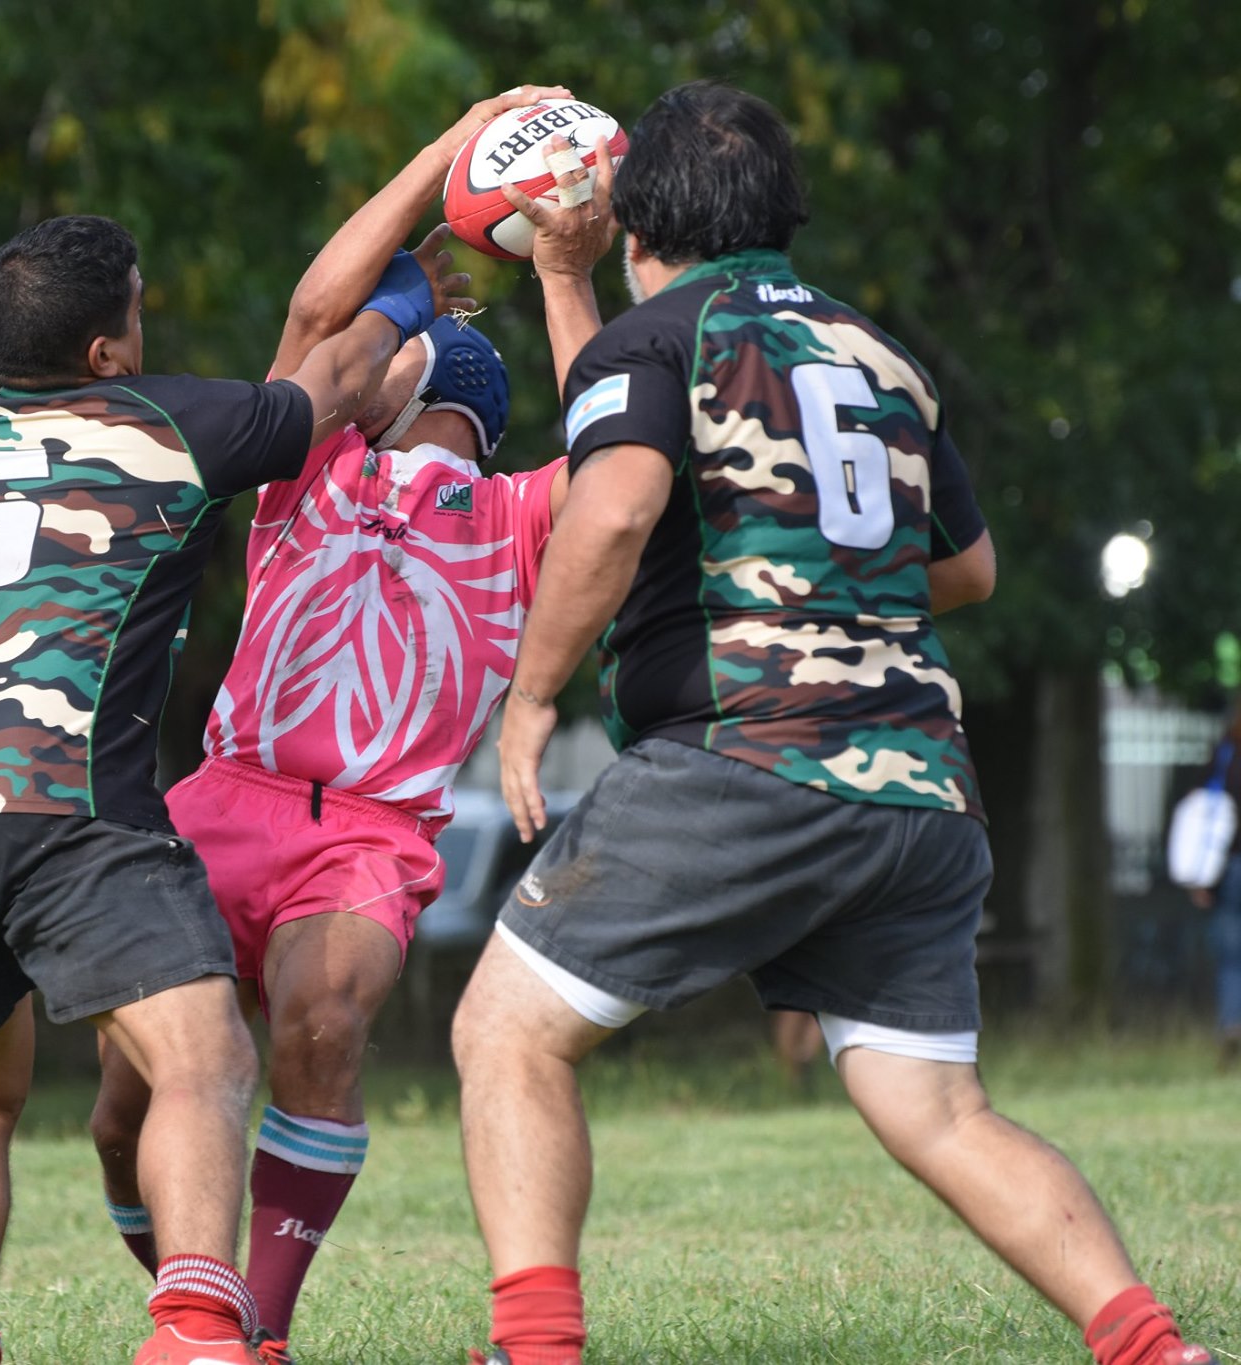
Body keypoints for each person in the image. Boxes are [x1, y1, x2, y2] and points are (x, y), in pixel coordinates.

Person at [453, 81, 1211, 1365]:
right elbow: (965, 571)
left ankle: (534, 1352)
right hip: (918, 785)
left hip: (743, 755)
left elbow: (612, 503)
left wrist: (529, 700)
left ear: (640, 222)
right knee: (938, 1110)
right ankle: (1148, 1345)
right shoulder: (877, 353)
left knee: (505, 1033)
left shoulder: (660, 342)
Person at [0, 213, 474, 1365]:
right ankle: (195, 1334)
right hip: (59, 797)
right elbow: (333, 372)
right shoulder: (164, 424)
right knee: (205, 1064)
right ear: (105, 353)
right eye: (136, 309)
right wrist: (411, 291)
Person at [85, 87, 612, 1365]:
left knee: (320, 1027)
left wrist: (562, 277)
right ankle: (201, 1299)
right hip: (223, 800)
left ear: (408, 389)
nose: (348, 368)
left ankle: (251, 1331)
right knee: (120, 1121)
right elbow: (322, 313)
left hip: (370, 834)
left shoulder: (517, 514)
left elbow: (616, 450)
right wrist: (444, 159)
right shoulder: (307, 465)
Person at [1185, 711, 1241, 1071]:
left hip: (1229, 869)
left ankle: (1233, 1023)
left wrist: (1201, 878)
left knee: (1232, 959)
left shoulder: (1225, 757)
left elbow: (1200, 816)